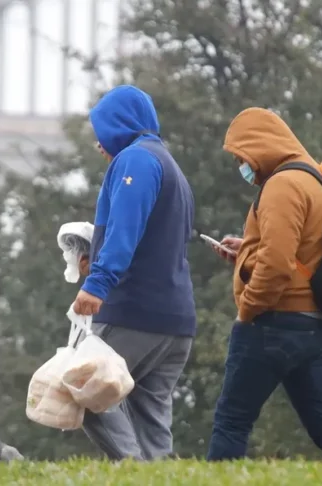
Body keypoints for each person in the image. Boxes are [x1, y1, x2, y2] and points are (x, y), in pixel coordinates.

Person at [206, 107, 322, 460]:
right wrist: (246, 250)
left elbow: (278, 264)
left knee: (231, 423)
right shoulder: (316, 178)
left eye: (241, 156)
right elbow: (299, 253)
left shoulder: (282, 184)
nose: (241, 166)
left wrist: (247, 309)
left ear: (260, 145)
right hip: (313, 325)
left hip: (273, 323)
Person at [70, 85, 197, 461]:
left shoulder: (135, 161)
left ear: (121, 126)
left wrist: (97, 283)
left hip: (135, 313)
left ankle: (134, 475)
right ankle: (158, 474)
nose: (98, 145)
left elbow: (125, 233)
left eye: (103, 132)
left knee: (86, 390)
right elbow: (152, 242)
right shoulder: (169, 165)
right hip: (175, 321)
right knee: (149, 417)